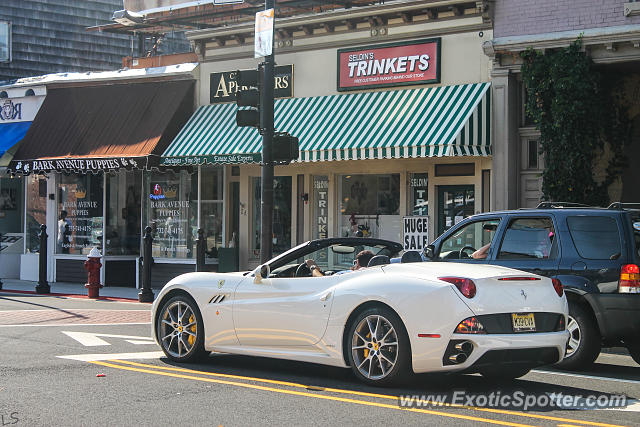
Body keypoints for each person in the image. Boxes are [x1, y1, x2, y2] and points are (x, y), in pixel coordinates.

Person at [305, 249, 374, 277]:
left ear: (357, 262)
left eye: (355, 263)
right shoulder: (374, 275)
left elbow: (322, 282)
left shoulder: (347, 275)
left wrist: (313, 267)